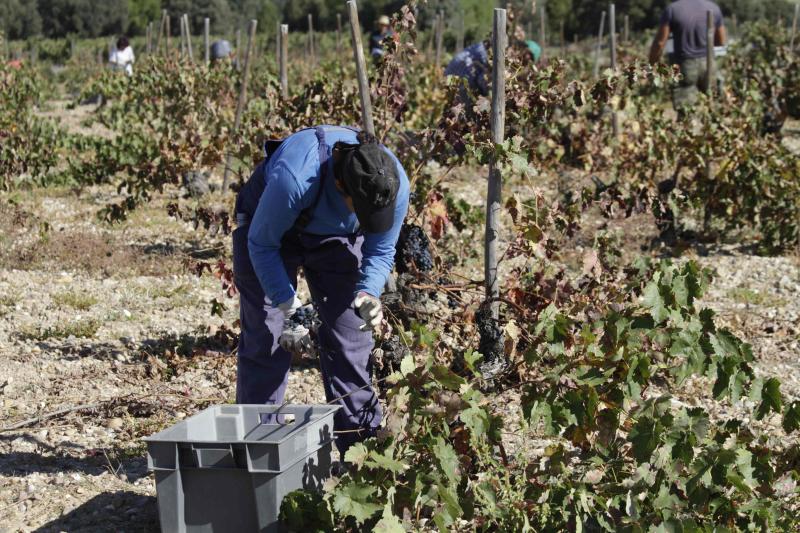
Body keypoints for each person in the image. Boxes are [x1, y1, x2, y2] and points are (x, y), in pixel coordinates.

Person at [233, 125, 410, 454]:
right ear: (341, 185)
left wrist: (368, 292)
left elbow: (381, 250)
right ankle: (254, 454)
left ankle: (361, 457)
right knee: (268, 339)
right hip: (271, 235)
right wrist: (290, 308)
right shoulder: (296, 179)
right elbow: (261, 244)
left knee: (352, 342)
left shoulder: (392, 185)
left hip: (336, 241)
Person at [649, 0, 727, 110]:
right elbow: (721, 41)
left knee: (686, 113)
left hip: (685, 65)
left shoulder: (672, 9)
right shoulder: (713, 8)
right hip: (709, 63)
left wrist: (653, 64)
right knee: (714, 107)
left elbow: (660, 43)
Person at [445, 40, 542, 96]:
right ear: (523, 47)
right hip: (462, 71)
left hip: (460, 70)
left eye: (531, 58)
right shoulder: (505, 55)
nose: (527, 57)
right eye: (529, 53)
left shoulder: (506, 54)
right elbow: (484, 80)